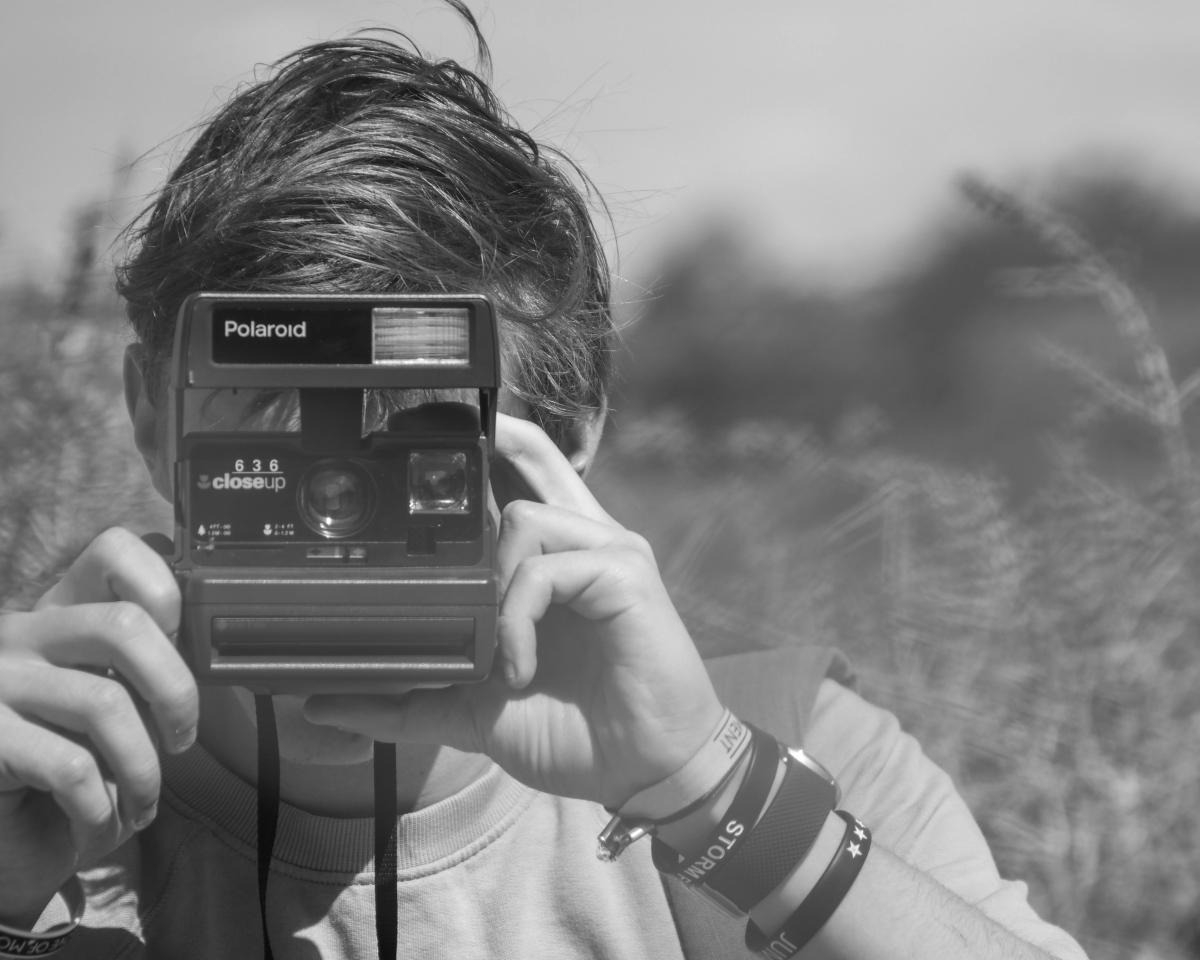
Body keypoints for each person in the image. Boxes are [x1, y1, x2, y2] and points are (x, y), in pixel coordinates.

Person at [0, 8, 1092, 960]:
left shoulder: (810, 755)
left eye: (418, 428)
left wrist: (707, 791)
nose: (337, 512)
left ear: (569, 439)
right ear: (154, 413)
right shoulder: (36, 775)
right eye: (275, 422)